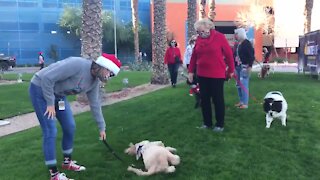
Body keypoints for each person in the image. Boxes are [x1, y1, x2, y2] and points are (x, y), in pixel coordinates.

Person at [29, 53, 121, 180]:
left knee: (70, 126)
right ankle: (54, 175)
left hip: (59, 95)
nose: (109, 77)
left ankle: (67, 162)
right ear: (104, 67)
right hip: (40, 89)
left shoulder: (94, 82)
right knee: (50, 131)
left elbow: (95, 104)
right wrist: (50, 104)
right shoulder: (77, 64)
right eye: (110, 73)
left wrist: (102, 127)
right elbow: (47, 78)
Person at [188, 18, 235, 132]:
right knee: (204, 100)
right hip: (202, 74)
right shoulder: (199, 39)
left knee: (218, 99)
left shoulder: (219, 37)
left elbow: (229, 54)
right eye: (198, 31)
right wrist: (191, 71)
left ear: (208, 27)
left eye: (201, 30)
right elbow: (194, 56)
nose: (199, 33)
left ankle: (220, 124)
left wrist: (231, 70)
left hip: (217, 74)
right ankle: (207, 123)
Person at [234, 28, 255, 109]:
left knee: (244, 84)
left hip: (244, 66)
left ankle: (245, 103)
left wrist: (250, 66)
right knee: (239, 84)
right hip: (238, 66)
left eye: (236, 34)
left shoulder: (247, 43)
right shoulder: (239, 44)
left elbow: (251, 56)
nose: (235, 36)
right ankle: (241, 101)